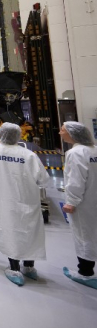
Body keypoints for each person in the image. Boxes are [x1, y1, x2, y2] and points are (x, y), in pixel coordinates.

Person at [0, 123, 48, 286]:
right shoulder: (28, 155)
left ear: (0, 134)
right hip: (27, 200)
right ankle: (29, 267)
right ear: (19, 135)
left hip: (2, 198)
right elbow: (43, 179)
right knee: (29, 231)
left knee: (9, 229)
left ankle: (14, 268)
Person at [60, 121, 97, 290]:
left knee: (83, 235)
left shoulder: (75, 153)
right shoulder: (94, 150)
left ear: (73, 134)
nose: (61, 133)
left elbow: (76, 179)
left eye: (63, 130)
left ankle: (85, 273)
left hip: (82, 202)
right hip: (93, 198)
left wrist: (71, 202)